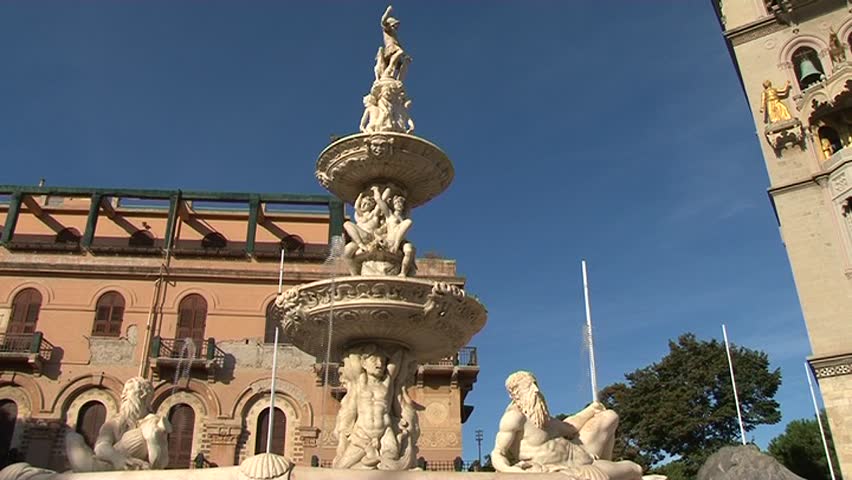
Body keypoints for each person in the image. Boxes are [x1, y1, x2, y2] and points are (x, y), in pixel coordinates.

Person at [491, 371, 665, 480]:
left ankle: (608, 463)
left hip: (585, 455)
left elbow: (570, 427)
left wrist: (590, 410)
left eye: (536, 385)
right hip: (576, 469)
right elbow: (498, 452)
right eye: (529, 387)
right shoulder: (514, 418)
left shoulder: (542, 416)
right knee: (635, 468)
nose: (536, 390)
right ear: (514, 393)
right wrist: (511, 471)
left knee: (609, 416)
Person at [65, 377, 171, 472]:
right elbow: (100, 447)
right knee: (73, 438)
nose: (122, 395)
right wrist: (118, 459)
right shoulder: (115, 422)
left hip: (120, 468)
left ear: (142, 394)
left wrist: (153, 440)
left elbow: (160, 464)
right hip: (103, 464)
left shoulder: (154, 422)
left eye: (128, 391)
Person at [333, 345, 402, 469]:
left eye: (382, 360)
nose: (379, 364)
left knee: (392, 463)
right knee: (341, 467)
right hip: (362, 435)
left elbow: (395, 365)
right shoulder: (360, 382)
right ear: (363, 363)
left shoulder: (386, 383)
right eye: (374, 360)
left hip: (385, 433)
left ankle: (369, 464)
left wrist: (402, 348)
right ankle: (366, 463)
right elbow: (354, 360)